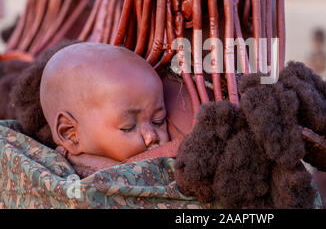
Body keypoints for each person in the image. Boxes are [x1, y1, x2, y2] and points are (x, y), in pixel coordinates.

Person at [10, 42, 195, 177]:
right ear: (69, 134)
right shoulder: (69, 184)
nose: (151, 136)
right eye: (128, 126)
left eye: (158, 121)